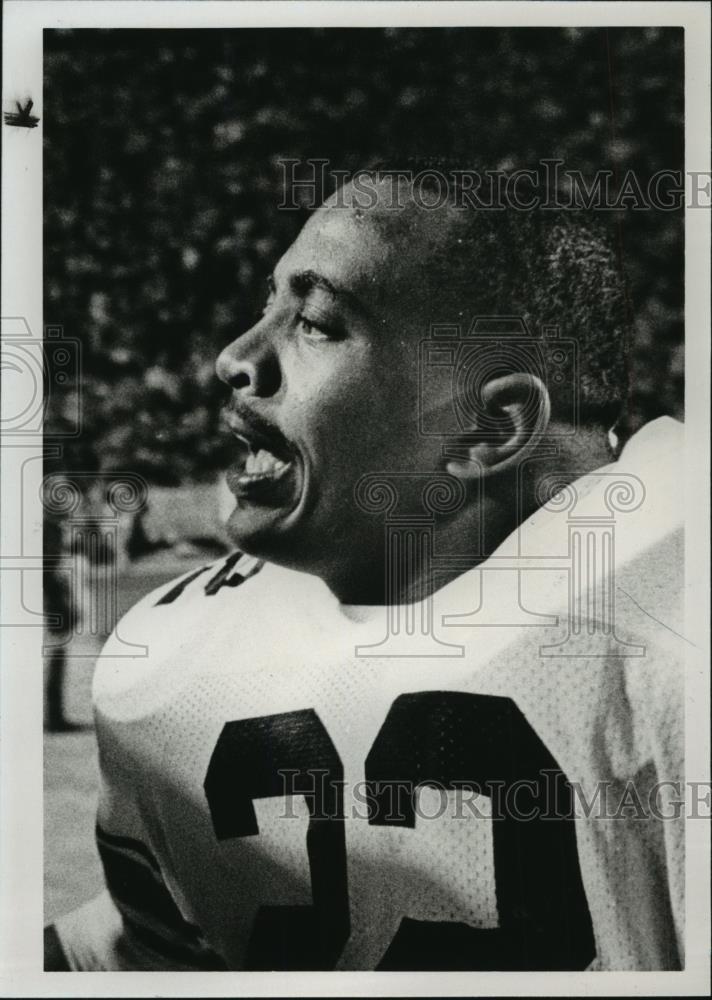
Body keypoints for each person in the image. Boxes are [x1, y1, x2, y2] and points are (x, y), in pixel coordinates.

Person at [45, 171, 684, 971]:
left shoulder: (672, 627)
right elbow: (172, 934)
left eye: (314, 321)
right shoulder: (187, 653)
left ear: (489, 425)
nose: (234, 358)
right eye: (265, 305)